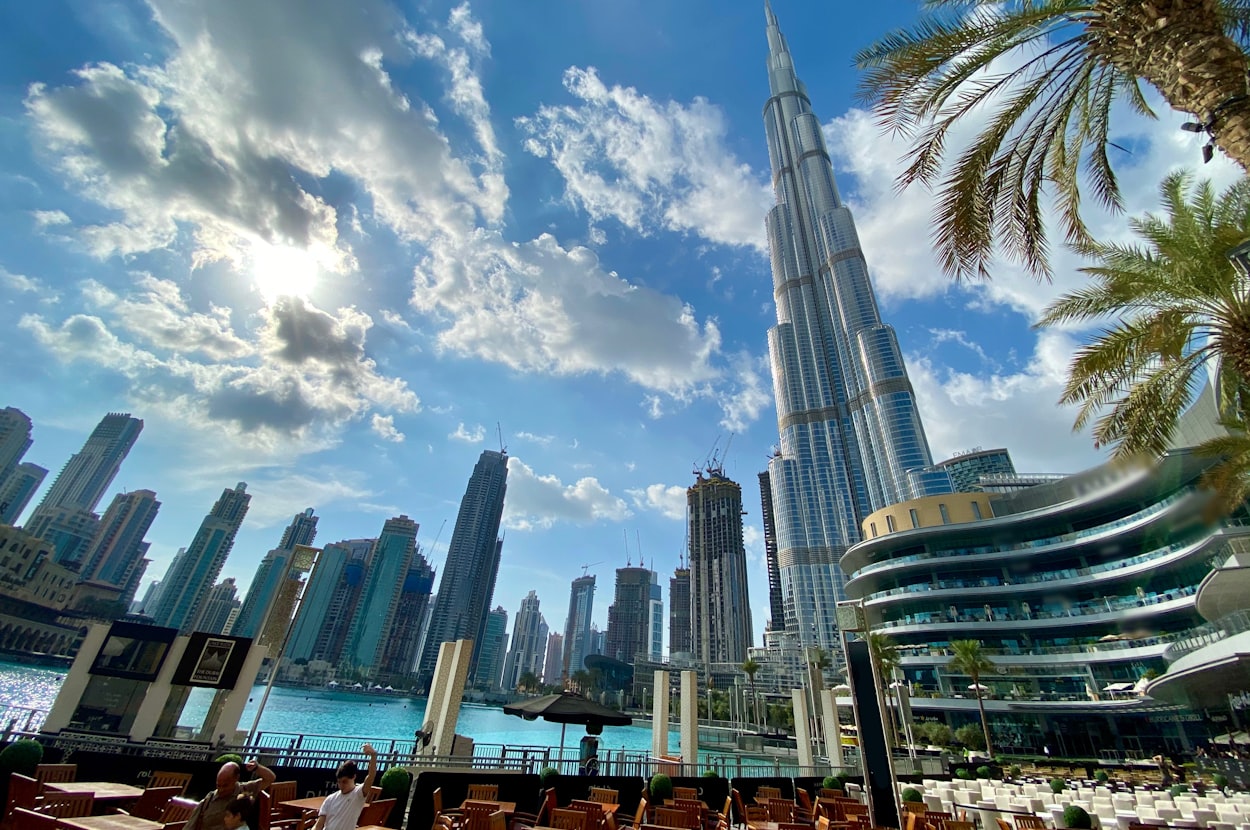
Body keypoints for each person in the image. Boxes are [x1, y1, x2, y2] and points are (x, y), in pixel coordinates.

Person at [187, 758, 276, 830]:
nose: (221, 789)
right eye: (218, 785)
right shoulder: (208, 800)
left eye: (225, 785)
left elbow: (270, 778)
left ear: (236, 778)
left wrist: (257, 768)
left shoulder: (245, 791)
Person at [314, 744, 378, 830]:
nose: (341, 786)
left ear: (354, 777)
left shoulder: (358, 794)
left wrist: (373, 756)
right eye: (339, 782)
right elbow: (319, 824)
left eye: (345, 782)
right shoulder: (330, 799)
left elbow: (371, 776)